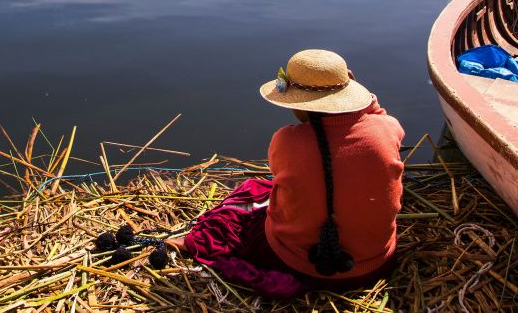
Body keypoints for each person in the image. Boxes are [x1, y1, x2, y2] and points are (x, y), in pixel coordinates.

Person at [172, 49, 405, 297]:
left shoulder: (287, 140)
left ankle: (188, 242)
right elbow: (378, 118)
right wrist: (365, 100)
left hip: (297, 265)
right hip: (375, 264)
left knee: (240, 210)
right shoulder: (387, 128)